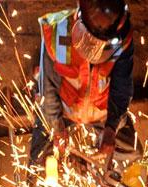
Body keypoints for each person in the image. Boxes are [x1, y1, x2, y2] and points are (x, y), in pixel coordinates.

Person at [30, 0, 142, 174]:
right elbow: (47, 90)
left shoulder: (123, 39)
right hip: (63, 112)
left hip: (102, 115)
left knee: (134, 157)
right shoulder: (55, 30)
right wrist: (57, 129)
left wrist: (111, 129)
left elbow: (122, 88)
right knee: (40, 164)